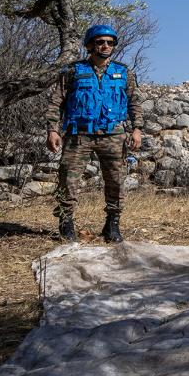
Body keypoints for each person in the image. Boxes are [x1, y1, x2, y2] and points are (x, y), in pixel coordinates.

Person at [46, 24, 141, 243]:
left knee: (116, 180)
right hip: (79, 134)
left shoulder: (124, 72)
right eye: (100, 42)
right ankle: (66, 223)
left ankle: (112, 224)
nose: (105, 46)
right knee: (68, 179)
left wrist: (137, 129)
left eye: (109, 42)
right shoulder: (72, 71)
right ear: (90, 45)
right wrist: (52, 129)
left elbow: (135, 102)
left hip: (113, 135)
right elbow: (56, 102)